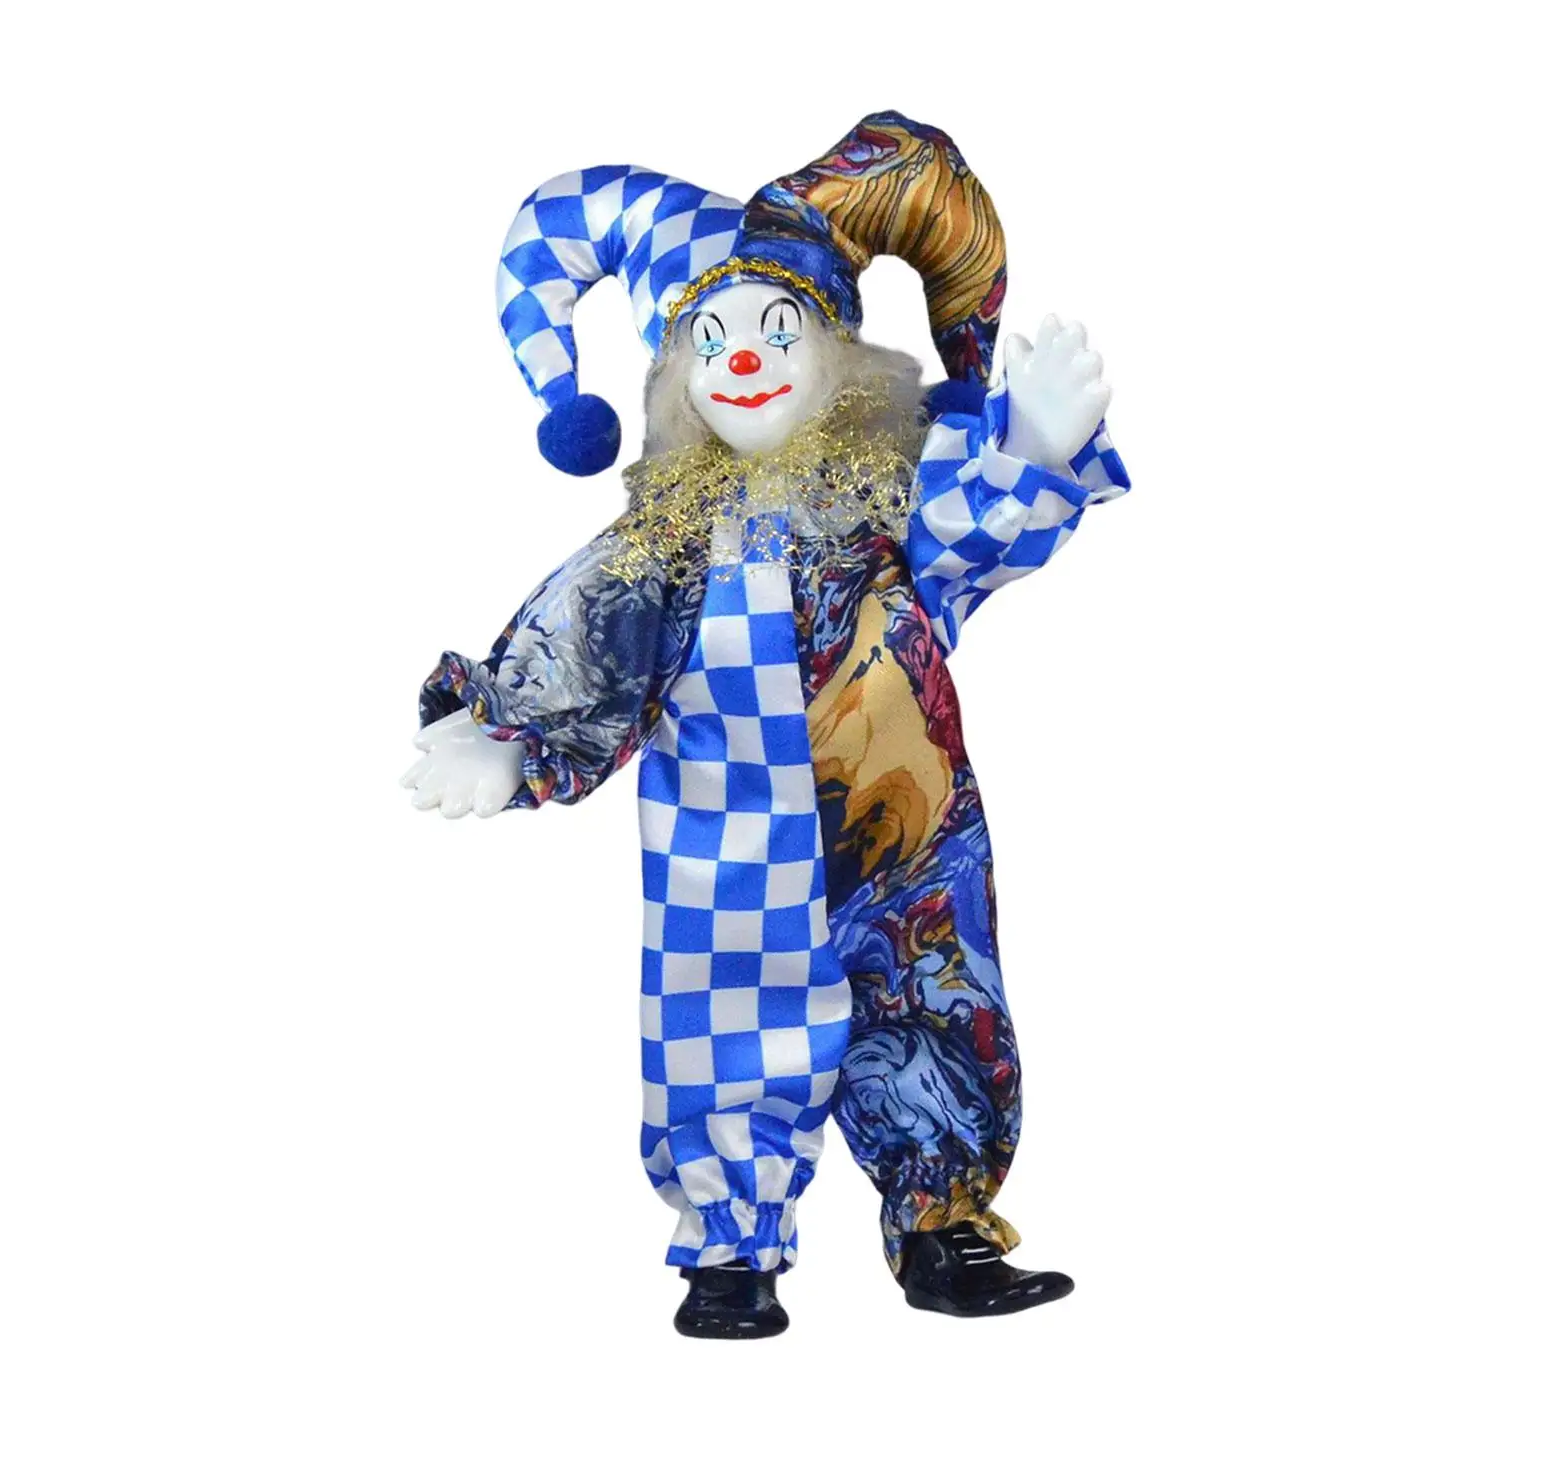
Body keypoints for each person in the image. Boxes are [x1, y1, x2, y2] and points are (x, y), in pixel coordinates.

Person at [403, 113, 1128, 1337]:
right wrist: (502, 734)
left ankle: (940, 1222)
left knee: (934, 998)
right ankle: (731, 1248)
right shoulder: (660, 544)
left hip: (906, 833)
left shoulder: (889, 498)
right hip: (724, 840)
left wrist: (1030, 449)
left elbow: (974, 536)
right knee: (720, 1020)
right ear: (677, 376)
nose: (744, 357)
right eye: (712, 337)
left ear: (837, 355)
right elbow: (588, 642)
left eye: (778, 328)